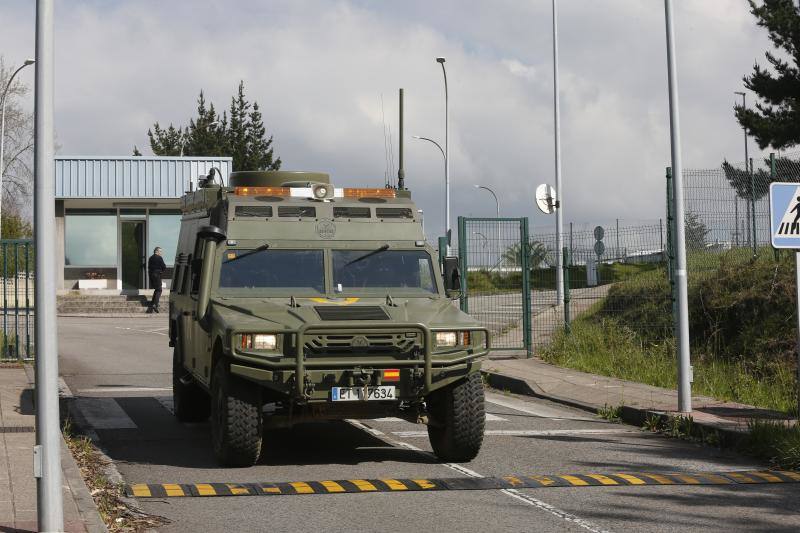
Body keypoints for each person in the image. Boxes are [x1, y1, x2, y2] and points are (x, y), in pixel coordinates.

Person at [147, 247, 167, 313]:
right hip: (157, 275)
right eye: (160, 251)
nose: (161, 253)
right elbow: (164, 266)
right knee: (159, 289)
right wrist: (161, 271)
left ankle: (152, 303)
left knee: (157, 289)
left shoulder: (150, 258)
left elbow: (149, 267)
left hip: (151, 275)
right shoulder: (159, 258)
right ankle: (155, 304)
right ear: (157, 251)